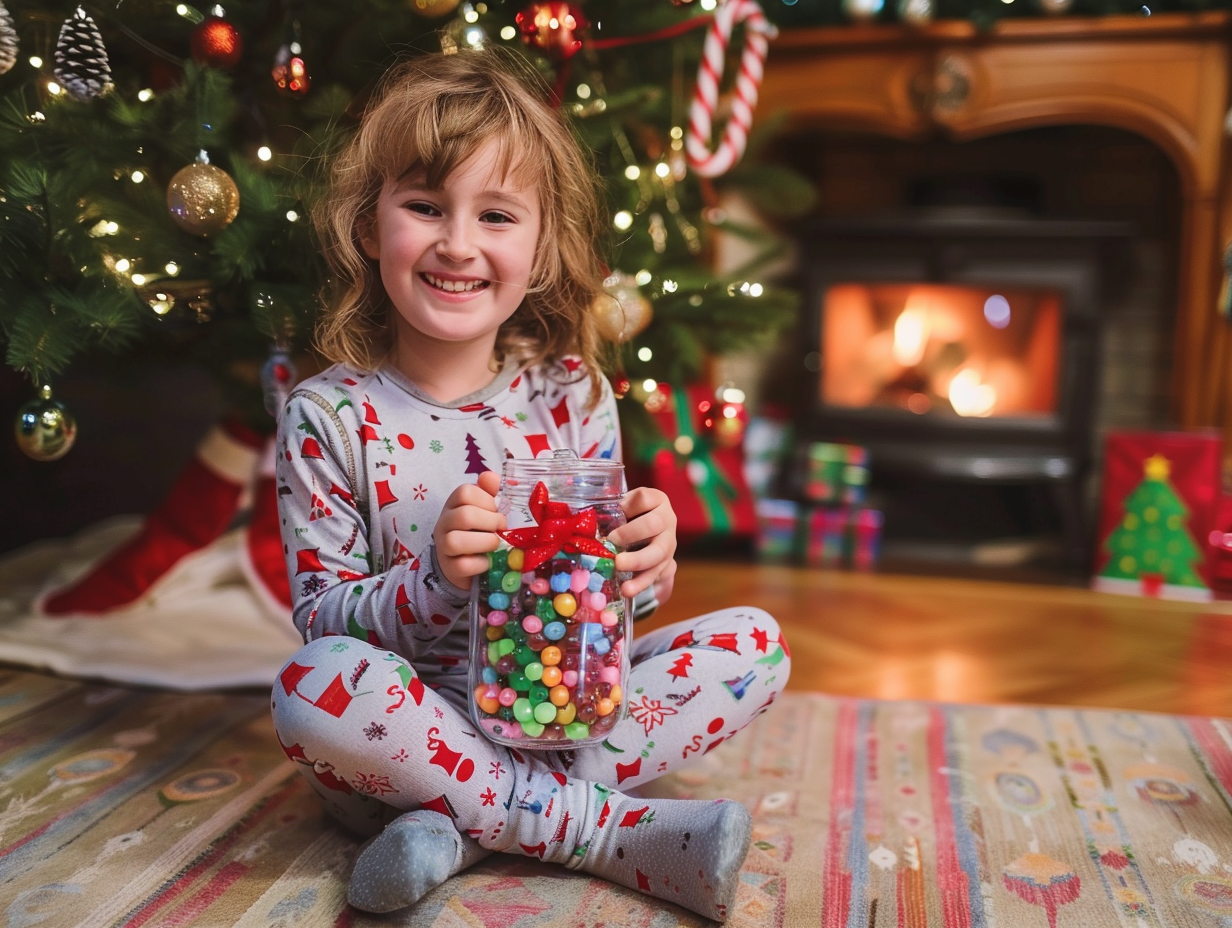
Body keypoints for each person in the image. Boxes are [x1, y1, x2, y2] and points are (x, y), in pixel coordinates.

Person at [270, 47, 791, 923]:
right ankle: (608, 834)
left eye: (498, 216)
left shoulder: (573, 394)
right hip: (405, 740)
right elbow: (321, 616)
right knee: (311, 685)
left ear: (543, 246)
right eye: (425, 206)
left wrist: (642, 573)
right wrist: (435, 580)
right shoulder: (327, 415)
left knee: (757, 646)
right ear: (371, 227)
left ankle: (466, 829)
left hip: (565, 715)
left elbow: (606, 626)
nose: (458, 244)